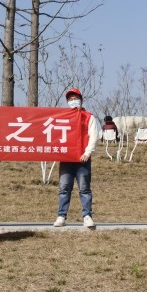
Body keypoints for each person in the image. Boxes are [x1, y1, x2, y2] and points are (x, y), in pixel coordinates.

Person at [53, 87, 99, 230]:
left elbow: (94, 136)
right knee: (64, 188)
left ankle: (87, 216)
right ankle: (61, 216)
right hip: (66, 160)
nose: (73, 101)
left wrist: (87, 152)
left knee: (84, 189)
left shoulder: (88, 117)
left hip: (82, 160)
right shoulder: (62, 117)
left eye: (75, 98)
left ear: (81, 100)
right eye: (70, 99)